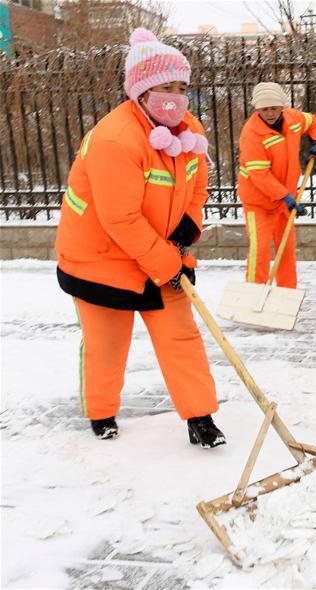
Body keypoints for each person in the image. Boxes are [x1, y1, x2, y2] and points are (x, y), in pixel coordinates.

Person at [54, 28, 225, 447]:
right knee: (106, 345)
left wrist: (188, 226)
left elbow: (197, 183)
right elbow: (120, 218)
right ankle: (101, 412)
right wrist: (169, 264)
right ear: (142, 91)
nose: (177, 96)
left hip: (158, 253)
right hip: (99, 261)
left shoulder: (188, 132)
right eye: (167, 87)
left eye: (183, 87)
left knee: (181, 337)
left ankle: (200, 417)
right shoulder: (115, 139)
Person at [237, 82, 316, 288]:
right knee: (260, 251)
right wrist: (285, 197)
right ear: (257, 109)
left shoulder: (293, 119)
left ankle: (287, 292)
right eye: (264, 109)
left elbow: (313, 122)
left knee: (286, 248)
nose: (269, 113)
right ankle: (254, 293)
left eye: (274, 108)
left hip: (285, 199)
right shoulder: (252, 134)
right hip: (258, 201)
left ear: (282, 107)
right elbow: (259, 174)